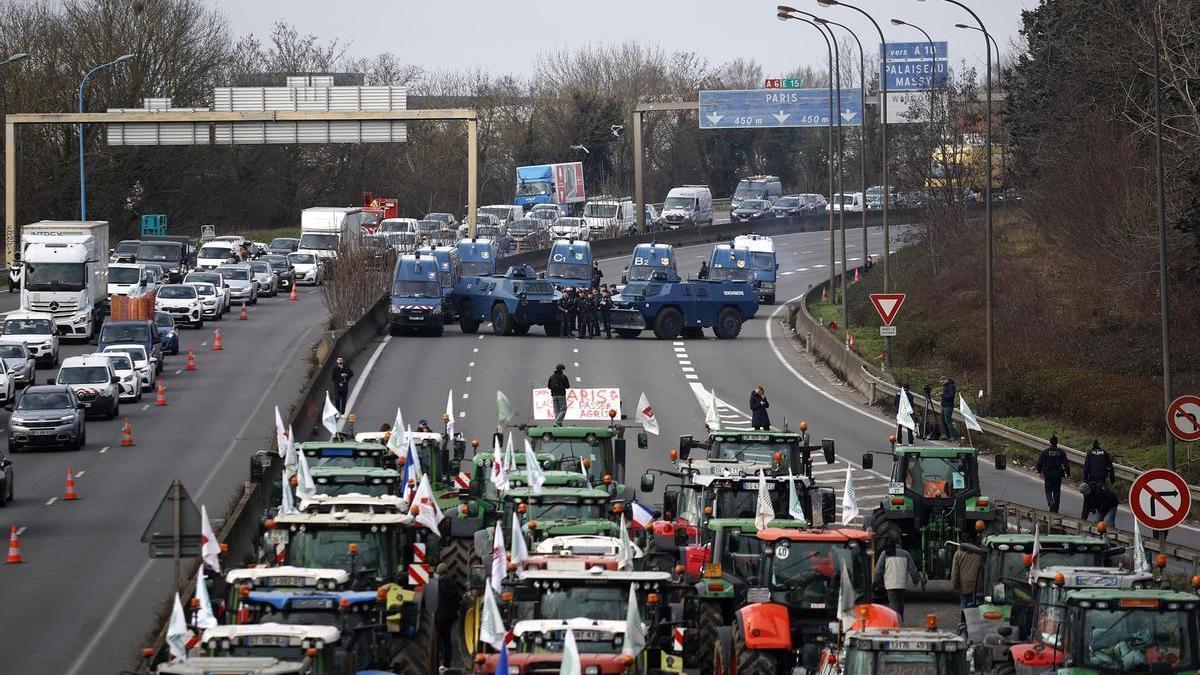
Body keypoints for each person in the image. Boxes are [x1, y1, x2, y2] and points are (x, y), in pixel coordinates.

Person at [874, 539, 920, 621]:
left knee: (893, 603)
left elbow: (878, 570)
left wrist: (877, 582)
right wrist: (915, 580)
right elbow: (912, 568)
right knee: (900, 603)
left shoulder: (885, 554)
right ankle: (900, 619)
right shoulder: (906, 553)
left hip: (890, 583)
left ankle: (894, 621)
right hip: (902, 583)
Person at [432, 562, 461, 671]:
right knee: (447, 640)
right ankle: (447, 664)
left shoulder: (437, 584)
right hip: (449, 617)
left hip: (439, 616)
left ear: (438, 573)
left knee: (437, 640)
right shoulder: (452, 584)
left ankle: (436, 663)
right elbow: (457, 600)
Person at [1035, 435, 1071, 513]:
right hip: (1058, 475)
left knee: (1048, 491)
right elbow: (1066, 465)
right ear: (1057, 443)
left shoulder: (1045, 452)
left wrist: (1039, 472)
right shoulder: (1061, 452)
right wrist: (1068, 474)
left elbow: (1039, 463)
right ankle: (1056, 509)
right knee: (1057, 492)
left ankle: (1051, 503)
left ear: (1050, 442)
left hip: (1048, 475)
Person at [949, 539, 984, 610]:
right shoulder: (980, 554)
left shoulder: (958, 554)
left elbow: (955, 572)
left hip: (965, 588)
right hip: (978, 587)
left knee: (964, 612)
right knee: (978, 611)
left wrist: (954, 585)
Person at [939, 376, 958, 440]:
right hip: (944, 406)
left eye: (942, 382)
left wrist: (943, 395)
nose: (942, 384)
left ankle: (952, 435)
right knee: (943, 420)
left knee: (948, 420)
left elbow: (951, 396)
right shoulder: (945, 387)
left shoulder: (951, 386)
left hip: (948, 406)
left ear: (946, 380)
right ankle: (947, 435)